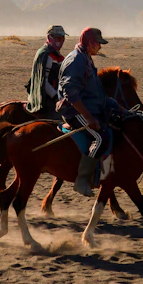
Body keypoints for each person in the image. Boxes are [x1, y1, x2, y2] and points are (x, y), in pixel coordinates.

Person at [57, 27, 123, 197]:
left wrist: (119, 108)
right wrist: (88, 117)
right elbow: (70, 92)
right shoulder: (77, 60)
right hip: (74, 110)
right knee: (101, 137)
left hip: (89, 108)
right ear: (90, 43)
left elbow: (96, 93)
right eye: (98, 43)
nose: (100, 47)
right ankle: (82, 180)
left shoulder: (86, 59)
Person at [26, 25, 68, 119]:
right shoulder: (46, 55)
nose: (60, 40)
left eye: (62, 37)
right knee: (61, 119)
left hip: (57, 95)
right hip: (45, 99)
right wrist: (55, 96)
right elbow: (43, 81)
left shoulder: (57, 55)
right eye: (57, 37)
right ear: (49, 37)